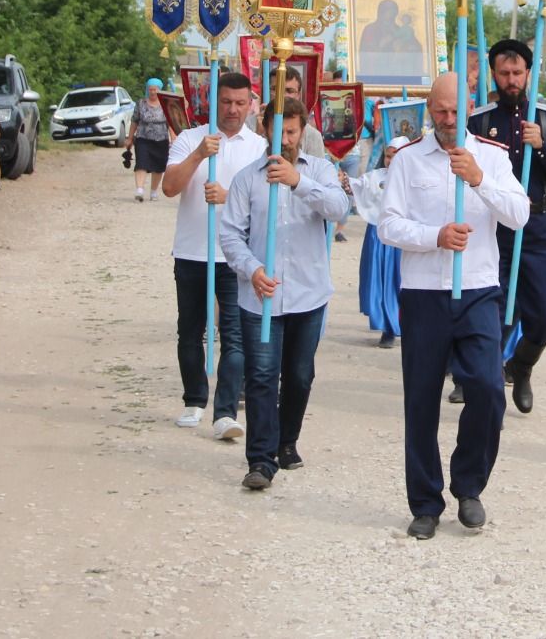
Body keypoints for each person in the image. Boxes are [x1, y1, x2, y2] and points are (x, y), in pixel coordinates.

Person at [378, 72, 528, 539]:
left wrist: (479, 180)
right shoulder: (407, 160)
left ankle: (469, 486)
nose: (447, 121)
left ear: (468, 109)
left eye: (454, 112)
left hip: (479, 289)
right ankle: (424, 502)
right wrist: (434, 237)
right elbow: (387, 225)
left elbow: (519, 215)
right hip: (424, 292)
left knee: (486, 387)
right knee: (420, 400)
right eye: (439, 111)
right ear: (428, 110)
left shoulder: (492, 156)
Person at [222, 97, 350, 490]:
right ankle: (260, 461)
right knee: (261, 376)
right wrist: (252, 269)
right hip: (260, 296)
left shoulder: (322, 170)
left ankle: (286, 441)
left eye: (292, 132)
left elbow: (340, 209)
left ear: (303, 129)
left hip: (308, 294)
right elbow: (229, 234)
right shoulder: (247, 178)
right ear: (264, 129)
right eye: (278, 132)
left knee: (298, 375)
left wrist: (299, 183)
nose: (285, 140)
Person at [468, 39, 546, 414]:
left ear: (528, 74)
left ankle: (522, 366)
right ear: (493, 75)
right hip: (492, 229)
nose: (511, 80)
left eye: (517, 73)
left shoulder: (545, 117)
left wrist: (542, 146)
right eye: (504, 73)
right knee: (491, 313)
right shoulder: (479, 121)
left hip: (536, 227)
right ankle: (485, 386)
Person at [161, 71, 265, 434]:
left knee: (234, 334)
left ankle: (225, 411)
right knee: (190, 331)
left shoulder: (259, 147)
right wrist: (198, 155)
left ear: (251, 105)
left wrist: (229, 196)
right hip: (192, 250)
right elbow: (169, 187)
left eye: (240, 103)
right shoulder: (191, 138)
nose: (233, 110)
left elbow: (267, 203)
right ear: (213, 102)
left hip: (235, 255)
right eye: (226, 102)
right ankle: (193, 400)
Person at [354, 135, 410, 347]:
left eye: (396, 157)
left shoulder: (413, 179)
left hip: (401, 239)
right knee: (380, 281)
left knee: (399, 282)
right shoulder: (376, 176)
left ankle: (401, 324)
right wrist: (346, 183)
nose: (391, 161)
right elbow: (360, 186)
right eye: (388, 157)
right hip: (378, 237)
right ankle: (387, 327)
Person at [125, 78, 171, 202]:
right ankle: (139, 190)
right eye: (150, 89)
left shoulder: (166, 104)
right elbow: (135, 121)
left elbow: (170, 123)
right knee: (141, 163)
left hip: (161, 139)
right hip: (143, 138)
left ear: (160, 90)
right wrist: (129, 138)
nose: (152, 92)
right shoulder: (140, 103)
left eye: (155, 89)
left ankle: (154, 191)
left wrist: (174, 139)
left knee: (159, 166)